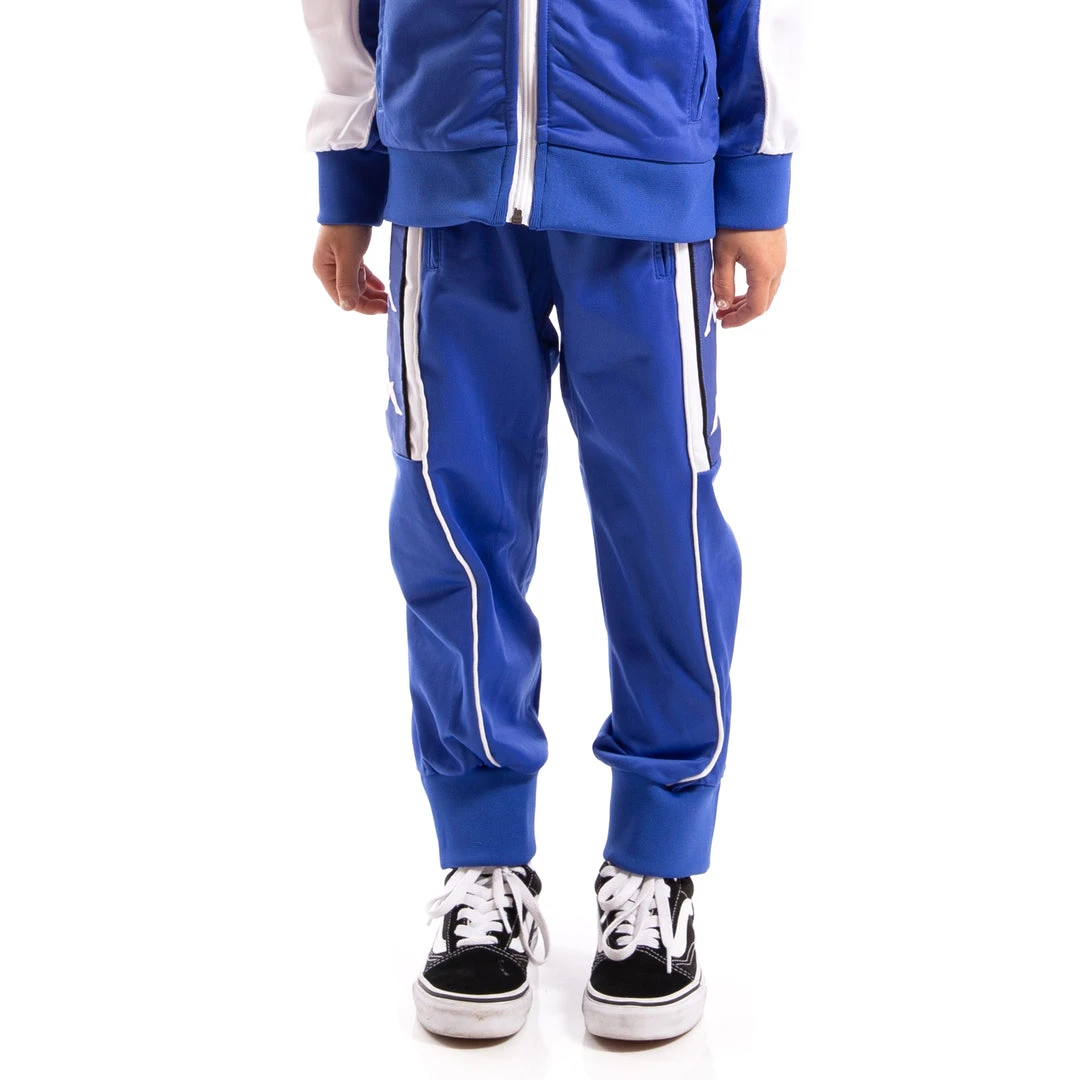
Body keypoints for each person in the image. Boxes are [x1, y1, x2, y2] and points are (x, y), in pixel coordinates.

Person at [301, 0, 798, 1042]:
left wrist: (752, 172)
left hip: (645, 163)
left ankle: (657, 865)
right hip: (449, 171)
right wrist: (350, 163)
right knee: (453, 528)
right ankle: (484, 863)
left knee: (665, 530)